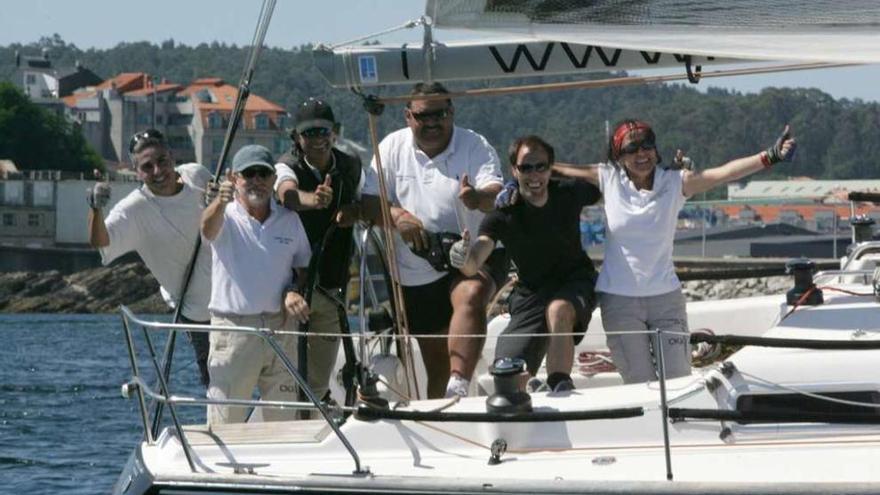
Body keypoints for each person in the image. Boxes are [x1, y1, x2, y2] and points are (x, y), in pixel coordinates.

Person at [551, 120, 796, 383]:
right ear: (619, 156)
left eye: (647, 145)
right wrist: (518, 175)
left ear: (656, 151)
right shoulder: (608, 178)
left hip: (666, 300)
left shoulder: (675, 182)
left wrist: (770, 156)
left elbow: (723, 173)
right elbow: (554, 169)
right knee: (639, 384)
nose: (641, 153)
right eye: (631, 148)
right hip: (619, 301)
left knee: (678, 380)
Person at [362, 82, 506, 399]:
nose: (431, 122)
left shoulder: (474, 145)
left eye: (440, 114)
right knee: (434, 358)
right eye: (423, 115)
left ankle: (459, 384)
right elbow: (368, 203)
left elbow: (496, 195)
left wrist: (476, 198)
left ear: (452, 112)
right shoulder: (389, 146)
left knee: (470, 293)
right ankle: (443, 413)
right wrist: (397, 217)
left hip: (474, 253)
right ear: (407, 116)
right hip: (415, 268)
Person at [454, 135, 601, 392]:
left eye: (541, 166)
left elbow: (607, 180)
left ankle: (559, 384)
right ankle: (530, 389)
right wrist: (462, 256)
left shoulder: (567, 193)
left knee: (558, 310)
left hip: (575, 280)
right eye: (526, 168)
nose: (534, 174)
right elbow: (473, 263)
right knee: (505, 369)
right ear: (514, 170)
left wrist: (559, 170)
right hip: (531, 291)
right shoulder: (503, 212)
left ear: (550, 167)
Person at [87, 128, 213, 387]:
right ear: (136, 171)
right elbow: (101, 243)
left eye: (162, 161)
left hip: (238, 299)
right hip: (198, 312)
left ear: (172, 156)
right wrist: (95, 208)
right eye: (147, 167)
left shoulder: (198, 174)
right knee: (218, 381)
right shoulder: (133, 210)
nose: (158, 171)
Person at [201, 144, 312, 425]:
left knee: (284, 421)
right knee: (225, 422)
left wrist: (293, 291)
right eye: (248, 173)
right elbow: (206, 230)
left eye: (263, 173)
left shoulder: (290, 220)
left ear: (273, 178)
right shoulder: (223, 216)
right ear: (233, 178)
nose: (256, 180)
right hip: (234, 329)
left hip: (281, 328)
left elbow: (303, 268)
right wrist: (219, 201)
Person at [274, 98, 363, 402]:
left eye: (323, 131)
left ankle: (317, 422)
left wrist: (353, 212)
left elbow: (367, 202)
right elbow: (286, 194)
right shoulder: (286, 166)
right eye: (309, 133)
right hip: (289, 292)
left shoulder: (351, 166)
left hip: (331, 288)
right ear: (297, 138)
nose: (317, 139)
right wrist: (314, 200)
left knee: (318, 382)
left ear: (334, 132)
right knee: (284, 379)